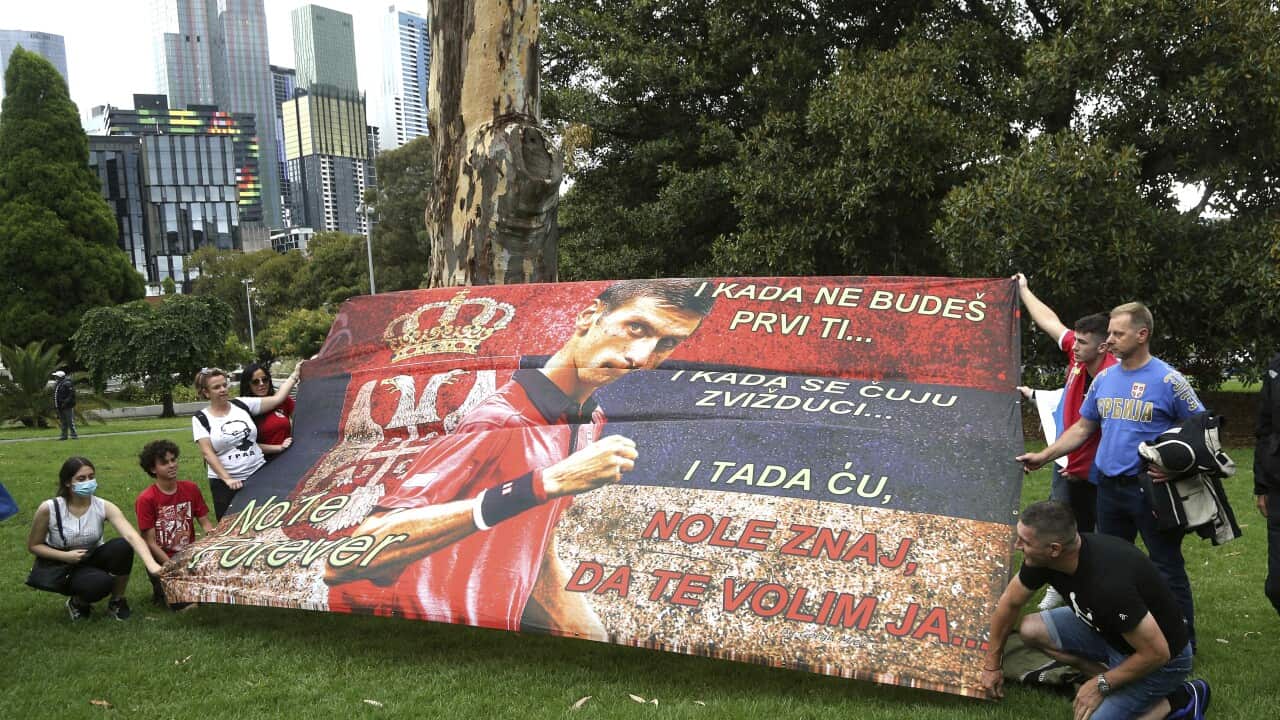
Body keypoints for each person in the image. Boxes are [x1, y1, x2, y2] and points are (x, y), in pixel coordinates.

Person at [325, 279, 715, 637]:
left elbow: (533, 544)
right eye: (637, 328)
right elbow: (348, 557)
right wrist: (541, 484)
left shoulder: (587, 420)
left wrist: (593, 636)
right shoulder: (501, 421)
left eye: (666, 343)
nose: (642, 357)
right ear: (589, 315)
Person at [1018, 301, 1204, 648]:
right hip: (1109, 489)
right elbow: (1083, 427)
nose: (1110, 341)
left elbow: (1201, 429)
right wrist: (1045, 456)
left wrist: (1175, 465)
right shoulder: (1104, 378)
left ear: (1141, 334)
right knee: (1110, 563)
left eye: (1118, 334)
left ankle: (1182, 642)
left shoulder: (1169, 380)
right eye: (1111, 333)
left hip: (1150, 491)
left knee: (1166, 565)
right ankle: (1121, 634)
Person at [981, 501, 1209, 719]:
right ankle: (1106, 676)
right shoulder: (1043, 560)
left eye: (1025, 542)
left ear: (1054, 549)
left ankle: (1182, 698)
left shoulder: (1109, 586)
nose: (1017, 546)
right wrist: (992, 666)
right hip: (1110, 634)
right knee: (1030, 629)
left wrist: (1101, 685)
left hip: (1162, 661)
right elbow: (1009, 603)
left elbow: (1157, 653)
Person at [1015, 273, 1117, 609]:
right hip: (1065, 464)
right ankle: (1060, 588)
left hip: (1101, 472)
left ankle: (1101, 597)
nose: (1074, 345)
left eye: (1083, 342)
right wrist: (1024, 291)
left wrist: (1081, 466)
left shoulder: (1116, 376)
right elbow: (1049, 322)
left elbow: (1102, 432)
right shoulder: (1079, 354)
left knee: (1100, 537)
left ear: (1103, 345)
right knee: (1057, 532)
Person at [26, 456, 164, 621]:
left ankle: (117, 601)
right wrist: (65, 556)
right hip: (63, 566)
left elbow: (131, 535)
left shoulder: (102, 506)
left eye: (91, 477)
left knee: (122, 545)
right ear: (68, 482)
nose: (88, 482)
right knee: (101, 584)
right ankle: (78, 603)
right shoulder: (49, 508)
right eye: (81, 478)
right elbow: (34, 546)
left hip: (91, 558)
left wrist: (151, 564)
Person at [193, 364, 301, 520]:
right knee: (231, 527)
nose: (223, 389)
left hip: (258, 474)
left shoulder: (241, 405)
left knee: (266, 520)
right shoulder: (201, 418)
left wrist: (295, 374)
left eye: (224, 385)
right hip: (226, 484)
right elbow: (207, 453)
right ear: (206, 392)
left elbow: (277, 398)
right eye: (216, 387)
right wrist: (227, 479)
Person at [134, 439, 213, 606]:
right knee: (184, 604)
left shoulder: (191, 488)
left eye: (173, 460)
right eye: (164, 463)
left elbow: (205, 523)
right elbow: (150, 542)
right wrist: (171, 565)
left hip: (189, 554)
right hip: (162, 560)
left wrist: (213, 544)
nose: (171, 465)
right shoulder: (146, 499)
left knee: (209, 594)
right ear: (153, 469)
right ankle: (165, 591)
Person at [1255, 351, 1280, 616]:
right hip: (1277, 485)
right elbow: (1264, 429)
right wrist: (1261, 485)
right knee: (1276, 587)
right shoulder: (1275, 366)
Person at [240, 362, 295, 460]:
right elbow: (247, 444)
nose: (261, 384)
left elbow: (302, 420)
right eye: (255, 382)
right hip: (262, 463)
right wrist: (279, 448)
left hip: (290, 455)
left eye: (265, 380)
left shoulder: (283, 400)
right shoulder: (242, 410)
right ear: (248, 385)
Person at [51, 370, 77, 440]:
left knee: (70, 421)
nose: (55, 378)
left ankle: (74, 435)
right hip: (60, 406)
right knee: (63, 422)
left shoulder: (67, 383)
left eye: (56, 376)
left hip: (67, 406)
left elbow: (71, 394)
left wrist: (65, 402)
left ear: (60, 377)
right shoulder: (58, 384)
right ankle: (64, 436)